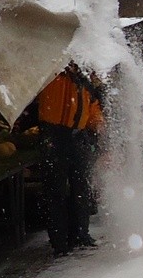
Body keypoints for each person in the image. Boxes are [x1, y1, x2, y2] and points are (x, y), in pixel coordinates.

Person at [38, 63, 104, 256]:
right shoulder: (52, 73)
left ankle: (80, 233)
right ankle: (59, 241)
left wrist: (98, 124)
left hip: (78, 136)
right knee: (55, 189)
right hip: (53, 135)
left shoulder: (84, 79)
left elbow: (92, 106)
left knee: (81, 186)